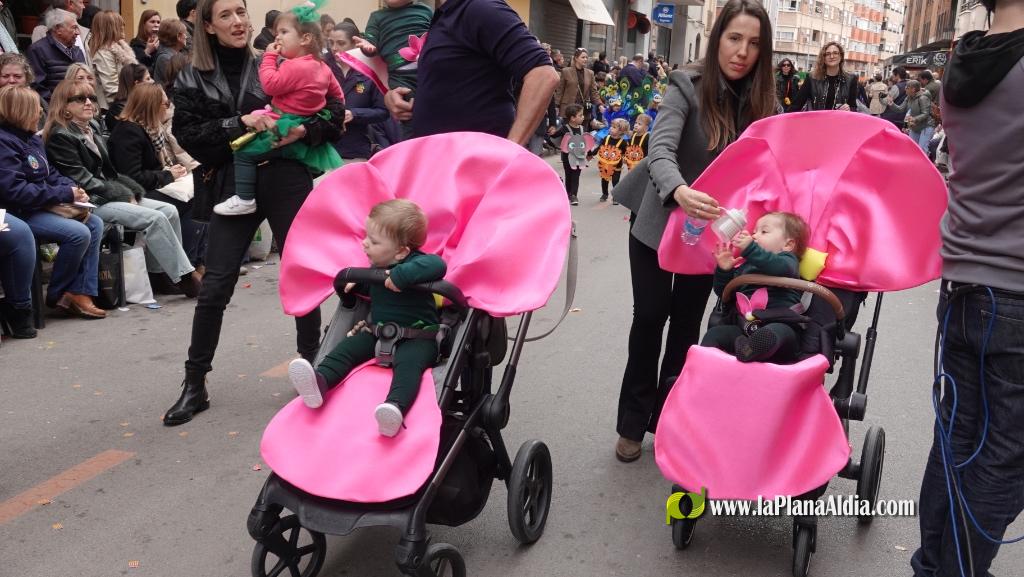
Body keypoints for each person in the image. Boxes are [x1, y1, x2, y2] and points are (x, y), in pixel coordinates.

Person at [163, 0, 345, 426]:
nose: (239, 21)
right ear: (206, 24)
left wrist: (305, 129)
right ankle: (195, 383)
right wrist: (239, 123)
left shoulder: (280, 60)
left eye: (241, 12)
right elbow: (189, 137)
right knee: (215, 285)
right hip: (233, 183)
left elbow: (334, 111)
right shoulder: (191, 75)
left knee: (301, 273)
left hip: (286, 176)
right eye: (226, 15)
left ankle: (312, 367)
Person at [609, 0, 777, 463]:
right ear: (718, 36)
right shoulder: (686, 83)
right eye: (734, 38)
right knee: (650, 316)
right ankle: (630, 421)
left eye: (754, 43)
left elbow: (774, 168)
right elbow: (659, 149)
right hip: (659, 221)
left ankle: (668, 417)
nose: (742, 51)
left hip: (712, 236)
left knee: (686, 325)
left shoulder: (766, 106)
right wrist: (679, 191)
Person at [912, 0, 1024, 575]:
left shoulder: (966, 61)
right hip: (1016, 294)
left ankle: (932, 566)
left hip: (965, 283)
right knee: (1003, 460)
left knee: (957, 442)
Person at [287, 199, 445, 437]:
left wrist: (402, 275)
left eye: (374, 241)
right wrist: (359, 282)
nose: (365, 243)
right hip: (377, 333)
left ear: (401, 251)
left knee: (408, 367)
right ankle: (320, 382)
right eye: (366, 236)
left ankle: (394, 409)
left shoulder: (414, 265)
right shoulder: (374, 269)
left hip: (417, 338)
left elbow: (437, 264)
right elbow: (372, 293)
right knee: (346, 349)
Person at [43, 79, 200, 297]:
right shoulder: (61, 136)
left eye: (91, 98)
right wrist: (123, 193)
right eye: (80, 99)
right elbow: (83, 180)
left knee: (168, 211)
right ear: (64, 105)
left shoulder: (93, 127)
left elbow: (111, 172)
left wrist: (128, 190)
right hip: (88, 202)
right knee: (155, 218)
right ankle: (185, 276)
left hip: (109, 194)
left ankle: (158, 275)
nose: (89, 103)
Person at [214, 7, 342, 216]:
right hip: (303, 122)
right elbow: (337, 96)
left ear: (305, 39)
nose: (277, 37)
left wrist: (269, 57)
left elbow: (270, 85)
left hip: (284, 122)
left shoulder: (294, 67)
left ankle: (245, 198)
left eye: (283, 32)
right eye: (277, 33)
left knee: (244, 153)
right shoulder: (322, 66)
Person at [383, 0, 558, 146]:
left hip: (475, 169)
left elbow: (543, 75)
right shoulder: (443, 16)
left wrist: (511, 150)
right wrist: (395, 98)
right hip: (442, 164)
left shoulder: (480, 7)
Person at [0, 84, 105, 319]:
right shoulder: (4, 142)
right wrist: (64, 195)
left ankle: (78, 291)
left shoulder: (32, 139)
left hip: (41, 204)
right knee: (78, 233)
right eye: (35, 107)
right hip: (19, 212)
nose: (40, 112)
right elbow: (15, 191)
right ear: (19, 111)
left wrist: (73, 188)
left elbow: (50, 174)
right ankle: (58, 293)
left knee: (95, 223)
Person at [108, 83, 205, 272]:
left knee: (203, 191)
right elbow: (132, 176)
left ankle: (198, 260)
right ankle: (188, 264)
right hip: (134, 193)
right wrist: (168, 175)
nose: (168, 108)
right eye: (165, 104)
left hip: (151, 187)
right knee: (190, 203)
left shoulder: (150, 129)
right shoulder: (129, 132)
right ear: (151, 106)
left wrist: (170, 171)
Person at [701, 212, 807, 363]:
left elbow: (775, 266)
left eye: (764, 232)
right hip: (745, 328)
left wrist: (750, 249)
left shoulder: (788, 261)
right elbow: (725, 293)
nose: (755, 236)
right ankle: (701, 371)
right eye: (754, 232)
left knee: (774, 332)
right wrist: (724, 270)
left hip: (781, 326)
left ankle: (752, 349)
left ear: (788, 245)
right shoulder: (745, 267)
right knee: (715, 334)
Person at [328, 21, 387, 162]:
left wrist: (354, 114)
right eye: (331, 43)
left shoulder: (369, 72)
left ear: (355, 44)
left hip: (355, 149)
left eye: (341, 43)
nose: (334, 48)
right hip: (324, 149)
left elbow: (383, 112)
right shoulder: (322, 67)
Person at [27, 9, 85, 101]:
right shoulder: (38, 50)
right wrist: (57, 106)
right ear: (58, 29)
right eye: (74, 28)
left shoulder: (77, 51)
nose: (78, 32)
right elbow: (38, 86)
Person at [87, 10, 137, 110]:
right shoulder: (103, 53)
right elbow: (112, 90)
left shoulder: (121, 49)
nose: (123, 27)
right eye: (119, 25)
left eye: (123, 24)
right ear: (109, 28)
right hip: (114, 110)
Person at [787, 41, 857, 112]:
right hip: (816, 122)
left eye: (835, 53)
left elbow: (853, 107)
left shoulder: (851, 79)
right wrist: (784, 120)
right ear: (823, 58)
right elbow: (796, 104)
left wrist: (849, 108)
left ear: (841, 56)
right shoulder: (812, 78)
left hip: (839, 122)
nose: (832, 56)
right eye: (827, 54)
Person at [553, 47, 602, 128]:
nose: (585, 59)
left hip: (583, 111)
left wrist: (600, 104)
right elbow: (560, 90)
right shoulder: (566, 71)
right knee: (567, 135)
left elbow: (594, 92)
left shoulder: (590, 73)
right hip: (568, 109)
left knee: (581, 136)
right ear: (576, 58)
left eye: (586, 57)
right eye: (583, 57)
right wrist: (556, 105)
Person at [884, 79, 935, 152]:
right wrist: (892, 104)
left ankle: (922, 163)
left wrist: (914, 119)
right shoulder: (908, 97)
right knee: (912, 147)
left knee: (922, 150)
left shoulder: (923, 98)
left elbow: (925, 114)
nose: (905, 89)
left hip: (926, 126)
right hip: (915, 125)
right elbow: (900, 109)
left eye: (907, 88)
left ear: (913, 89)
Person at [104, 62, 151, 132]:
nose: (152, 81)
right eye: (148, 79)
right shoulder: (119, 109)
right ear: (137, 83)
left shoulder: (141, 102)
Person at [596, 117, 628, 203]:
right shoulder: (606, 138)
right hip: (605, 165)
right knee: (604, 180)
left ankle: (615, 196)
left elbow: (626, 153)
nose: (611, 128)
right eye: (611, 126)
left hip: (616, 166)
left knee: (615, 181)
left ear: (621, 131)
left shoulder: (623, 142)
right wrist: (591, 153)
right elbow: (600, 148)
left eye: (614, 127)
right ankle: (605, 194)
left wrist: (626, 159)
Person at [152, 19, 187, 85]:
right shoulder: (165, 58)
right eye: (184, 33)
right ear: (178, 37)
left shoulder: (176, 54)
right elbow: (180, 82)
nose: (186, 36)